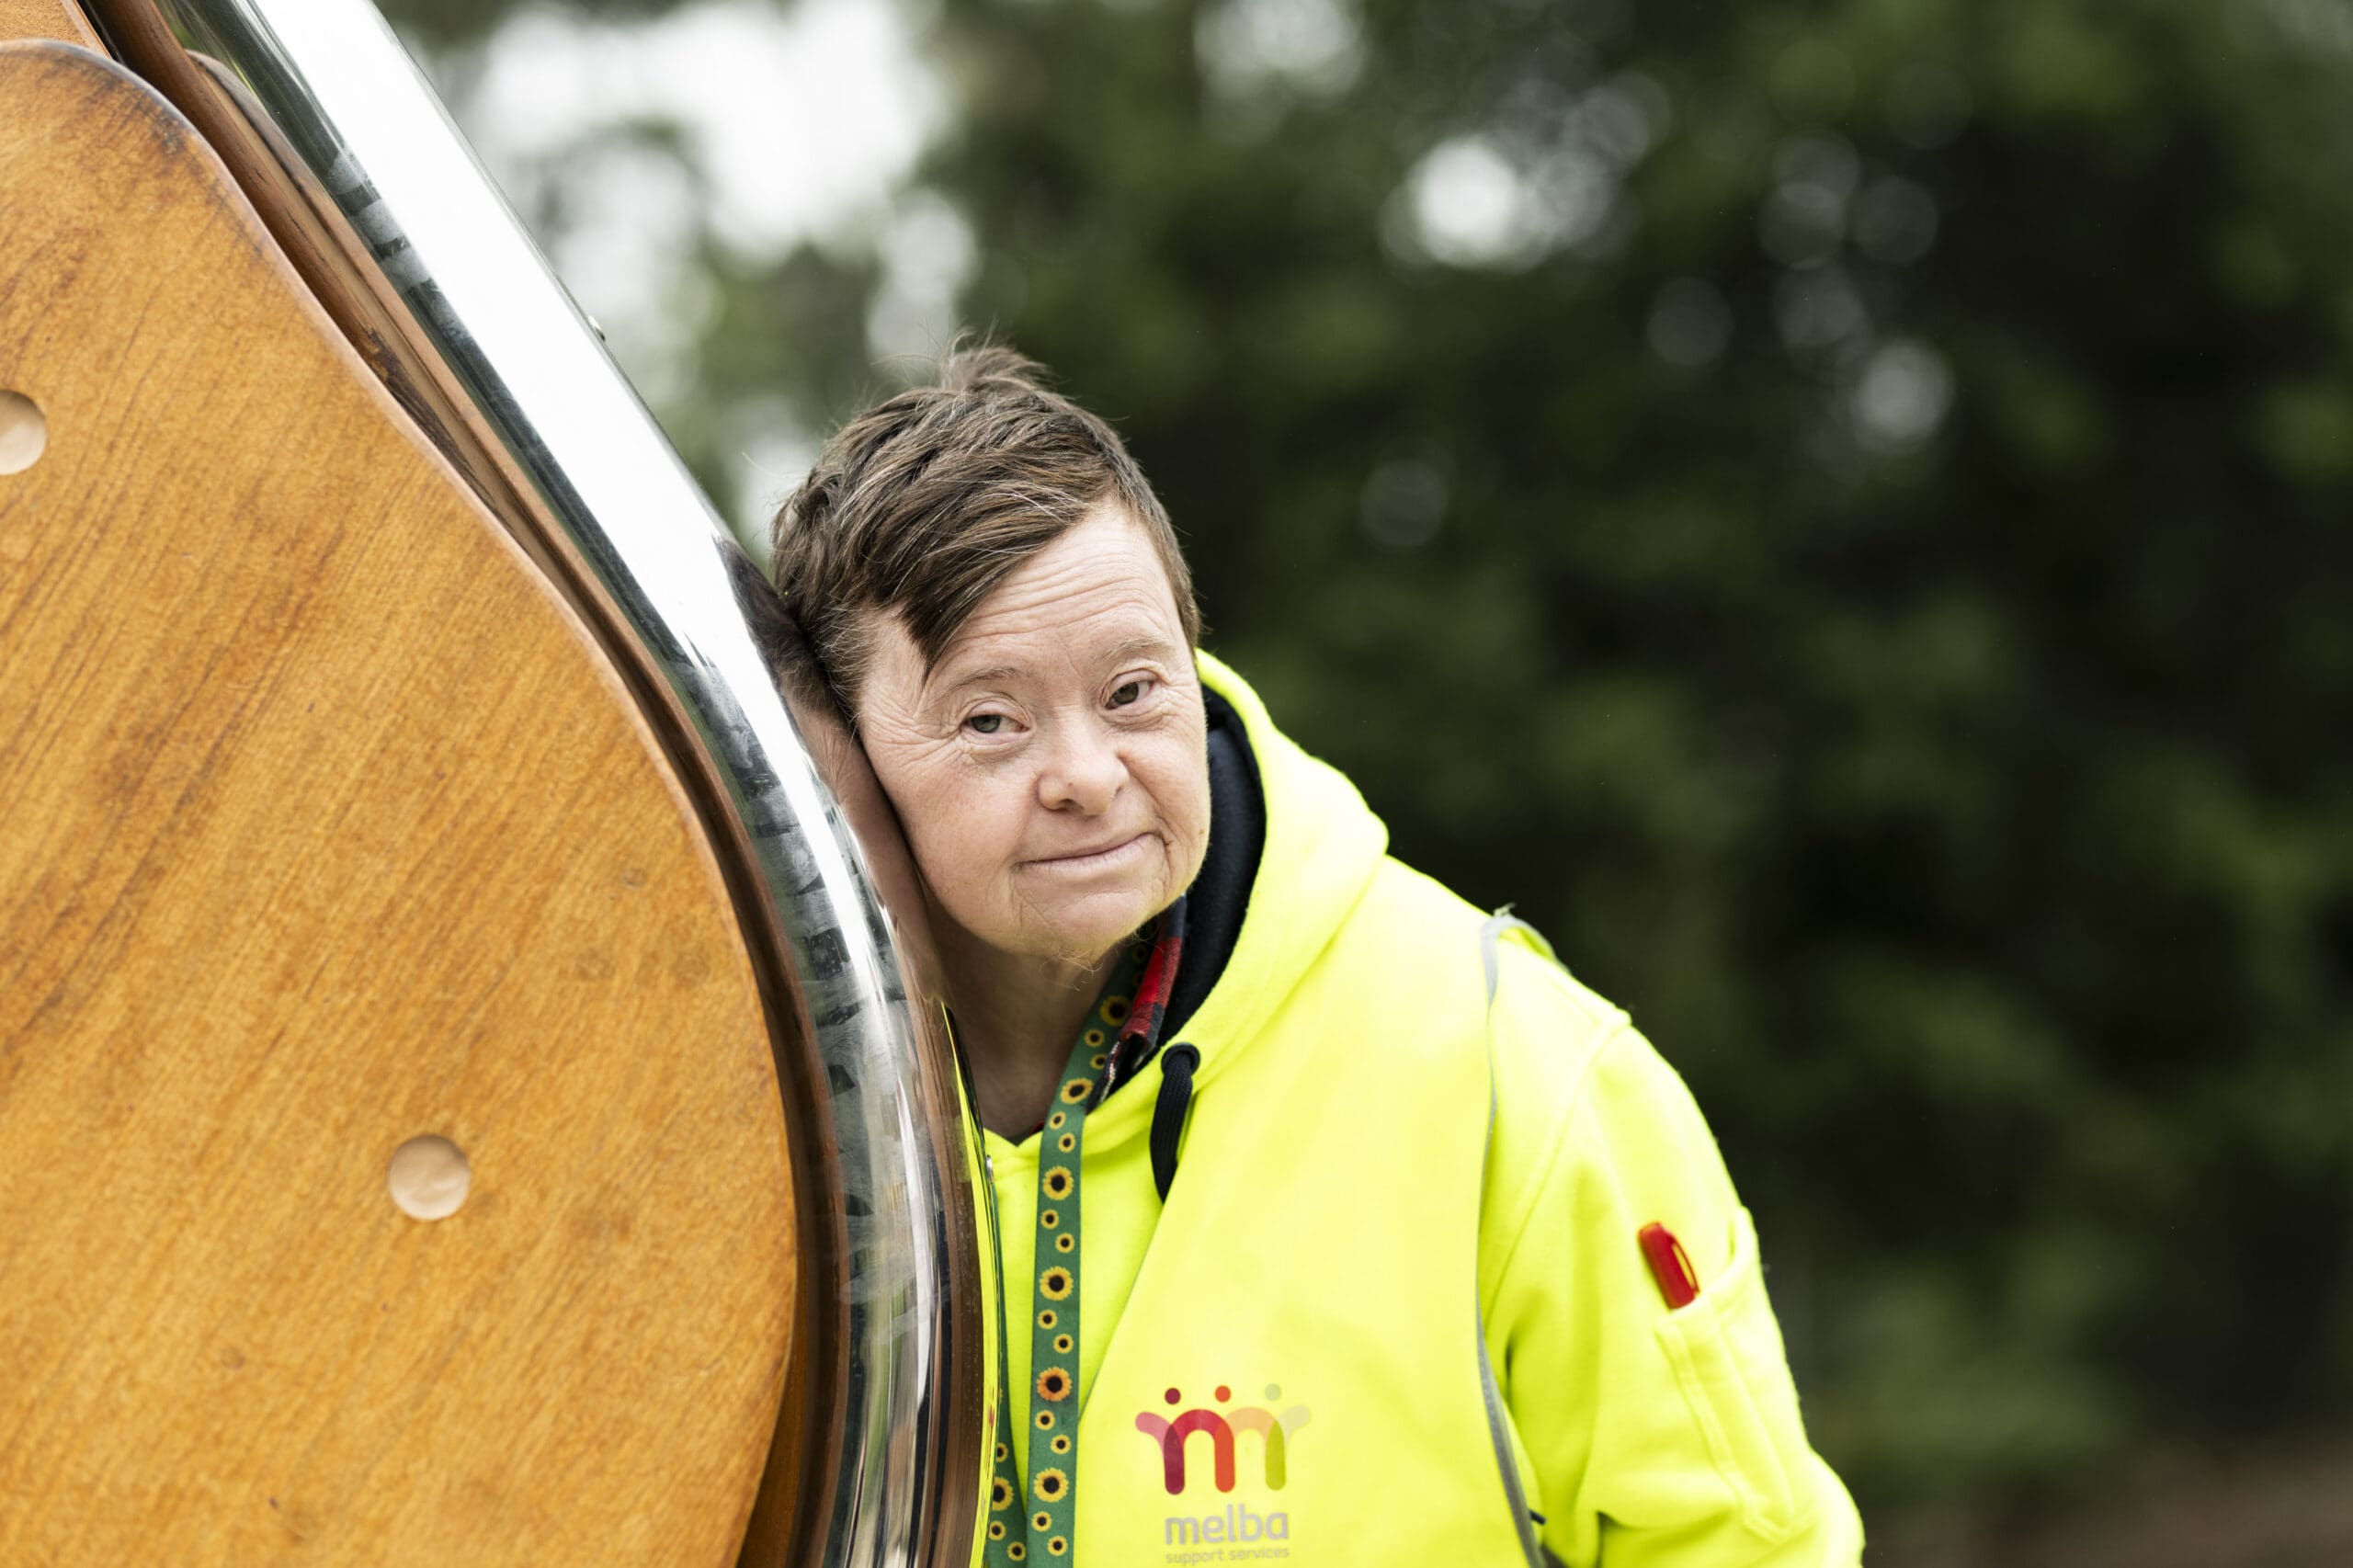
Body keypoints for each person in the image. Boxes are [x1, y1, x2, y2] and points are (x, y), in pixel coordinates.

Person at [766, 345, 1863, 1567]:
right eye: (991, 720)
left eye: (1132, 691)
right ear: (842, 753)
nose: (1086, 774)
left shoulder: (1510, 1062)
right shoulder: (745, 1096)